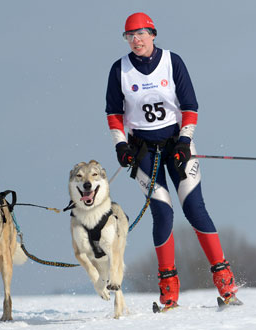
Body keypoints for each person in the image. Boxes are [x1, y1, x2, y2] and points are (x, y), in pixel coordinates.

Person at [105, 12, 241, 310]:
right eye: (130, 36)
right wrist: (121, 146)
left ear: (152, 33)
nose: (136, 40)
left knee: (194, 209)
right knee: (163, 214)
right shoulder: (120, 70)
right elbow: (114, 114)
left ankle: (226, 284)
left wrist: (184, 139)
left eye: (140, 33)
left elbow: (190, 105)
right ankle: (168, 291)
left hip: (178, 145)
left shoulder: (172, 61)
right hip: (143, 151)